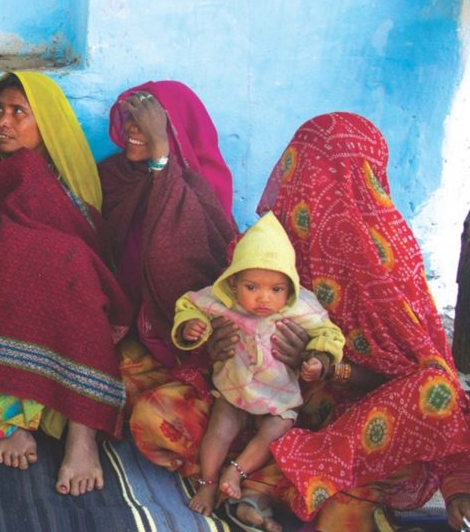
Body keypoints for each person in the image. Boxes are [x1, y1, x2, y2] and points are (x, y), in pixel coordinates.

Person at [216, 112, 470, 532]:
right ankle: (289, 480)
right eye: (309, 171)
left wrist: (332, 367)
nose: (317, 189)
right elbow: (218, 329)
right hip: (276, 401)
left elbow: (417, 369)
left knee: (436, 392)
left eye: (336, 176)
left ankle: (269, 478)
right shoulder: (265, 249)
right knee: (165, 414)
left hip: (357, 412)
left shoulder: (390, 257)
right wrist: (219, 342)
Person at [0, 71, 131, 496]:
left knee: (74, 266)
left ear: (45, 121)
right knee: (14, 251)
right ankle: (10, 413)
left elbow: (91, 244)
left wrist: (51, 253)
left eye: (19, 113)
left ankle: (82, 435)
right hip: (0, 295)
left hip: (68, 296)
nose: (3, 122)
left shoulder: (71, 174)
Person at [97, 81, 238, 475]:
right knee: (93, 386)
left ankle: (234, 462)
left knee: (156, 416)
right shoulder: (116, 176)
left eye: (147, 124)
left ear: (174, 130)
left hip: (192, 344)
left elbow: (178, 264)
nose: (131, 131)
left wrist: (162, 158)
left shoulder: (201, 187)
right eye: (129, 120)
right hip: (135, 335)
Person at [172, 211, 344, 524]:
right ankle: (209, 483)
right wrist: (191, 325)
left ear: (290, 287)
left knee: (276, 430)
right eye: (252, 287)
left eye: (276, 289)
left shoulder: (302, 306)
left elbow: (329, 333)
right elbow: (188, 304)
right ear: (234, 281)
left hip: (279, 398)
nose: (264, 298)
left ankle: (235, 472)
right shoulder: (221, 300)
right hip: (234, 390)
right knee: (220, 428)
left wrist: (320, 358)